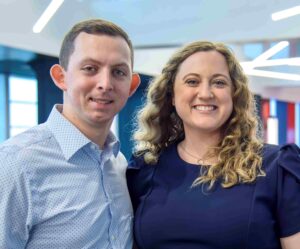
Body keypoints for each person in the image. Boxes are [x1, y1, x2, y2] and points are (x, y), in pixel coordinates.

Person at [127, 41, 300, 249]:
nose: (206, 93)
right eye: (192, 81)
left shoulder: (277, 168)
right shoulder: (144, 169)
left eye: (219, 83)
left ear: (234, 95)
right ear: (172, 95)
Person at [0, 19, 140, 248]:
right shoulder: (15, 165)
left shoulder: (119, 163)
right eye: (90, 69)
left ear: (132, 86)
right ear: (60, 77)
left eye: (118, 72)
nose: (105, 84)